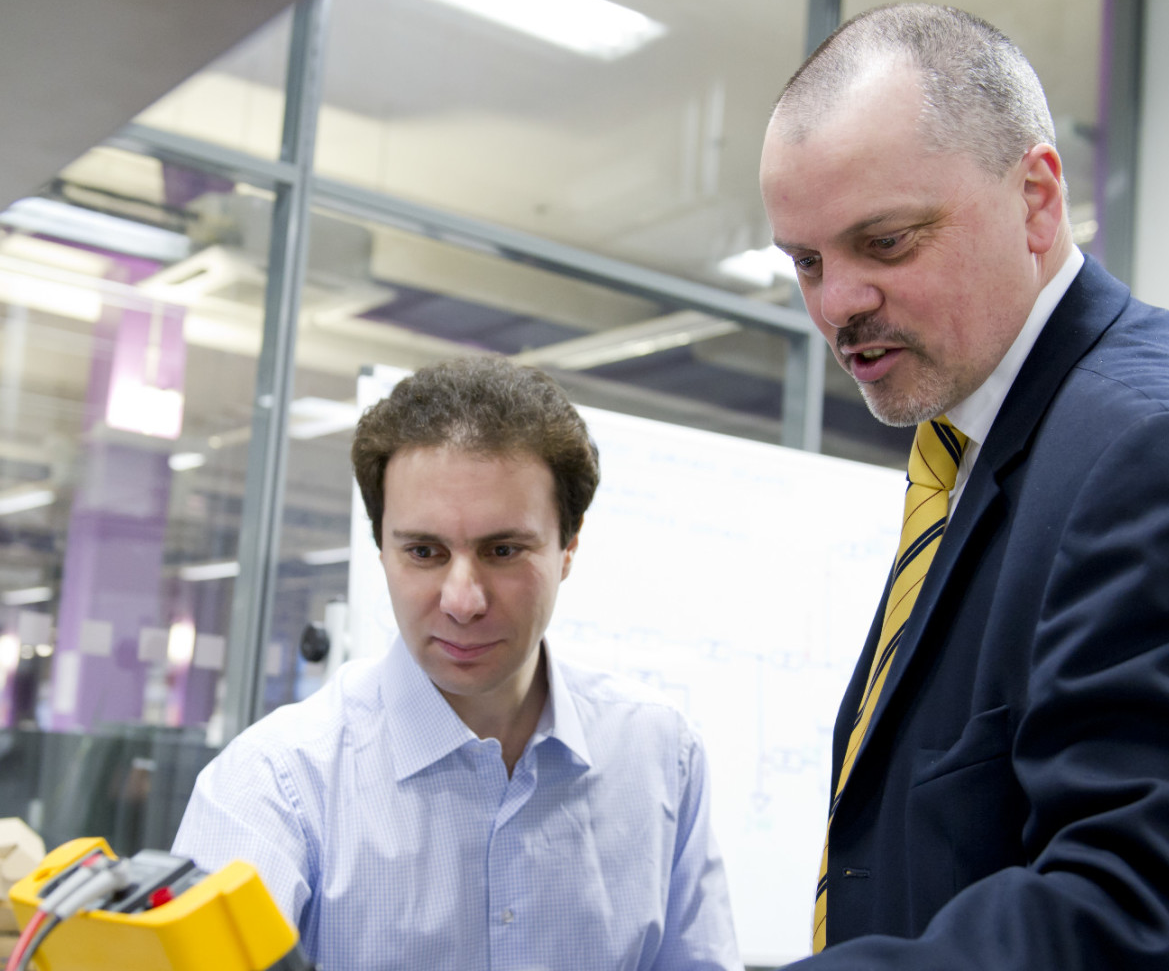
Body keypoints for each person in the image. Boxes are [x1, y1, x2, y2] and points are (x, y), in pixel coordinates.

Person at [759, 4, 1169, 970]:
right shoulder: (990, 439)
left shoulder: (1156, 456)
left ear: (1038, 200)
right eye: (806, 262)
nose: (836, 303)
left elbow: (1156, 918)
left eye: (885, 243)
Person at [172, 356, 742, 971]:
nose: (462, 601)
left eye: (503, 550)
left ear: (568, 547)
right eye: (424, 551)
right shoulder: (275, 783)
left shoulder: (660, 755)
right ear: (381, 550)